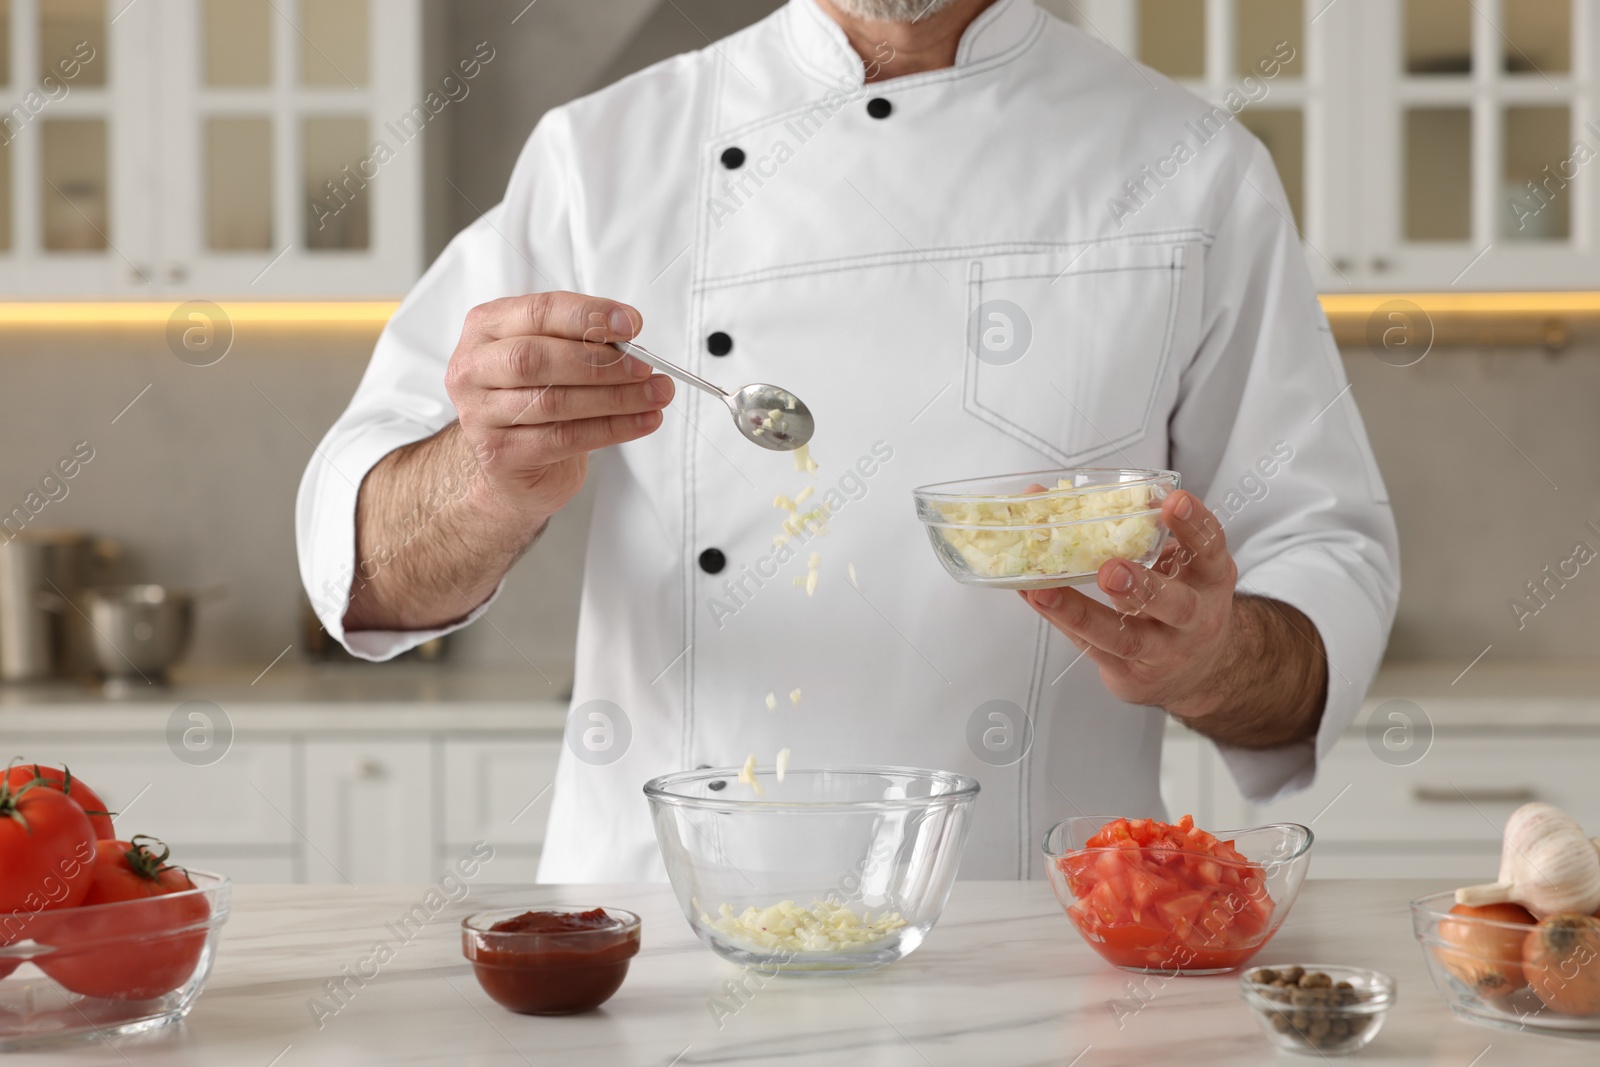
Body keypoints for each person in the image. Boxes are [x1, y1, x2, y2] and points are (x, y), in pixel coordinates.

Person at [297, 0, 1399, 881]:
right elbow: (370, 574)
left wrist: (1207, 658)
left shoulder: (1189, 165)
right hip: (664, 939)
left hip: (1031, 952)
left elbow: (1326, 568)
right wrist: (483, 479)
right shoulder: (600, 158)